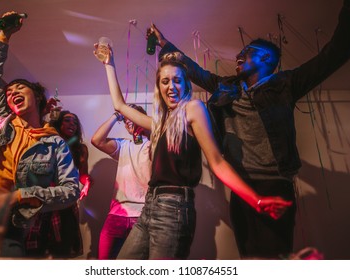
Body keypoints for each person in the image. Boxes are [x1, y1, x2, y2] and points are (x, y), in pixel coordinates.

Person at [149, 0, 350, 259]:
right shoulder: (228, 87)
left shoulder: (286, 84)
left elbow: (334, 55)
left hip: (274, 184)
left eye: (247, 51)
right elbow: (197, 73)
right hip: (241, 187)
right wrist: (165, 44)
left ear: (266, 58)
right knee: (249, 258)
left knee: (273, 258)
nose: (239, 54)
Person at [93, 43, 292, 259]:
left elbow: (217, 163)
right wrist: (109, 64)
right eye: (165, 81)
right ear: (159, 87)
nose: (171, 86)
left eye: (177, 80)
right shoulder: (160, 123)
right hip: (149, 207)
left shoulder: (193, 109)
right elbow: (120, 106)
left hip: (173, 209)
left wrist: (257, 200)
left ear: (185, 85)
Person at [0, 11, 80, 257]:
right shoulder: (2, 119)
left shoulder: (54, 143)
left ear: (37, 96)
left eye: (20, 87)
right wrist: (3, 36)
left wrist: (21, 195)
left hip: (10, 220)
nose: (12, 92)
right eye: (9, 92)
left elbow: (71, 190)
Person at [24, 110, 92, 258]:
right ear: (59, 123)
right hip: (43, 198)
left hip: (64, 201)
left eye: (75, 123)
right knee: (37, 248)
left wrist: (86, 182)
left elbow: (83, 174)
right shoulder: (47, 142)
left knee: (62, 248)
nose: (72, 124)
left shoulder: (80, 149)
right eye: (67, 120)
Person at [91, 105, 151, 259]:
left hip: (143, 214)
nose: (128, 121)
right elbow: (96, 140)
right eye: (125, 119)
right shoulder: (123, 145)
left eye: (132, 117)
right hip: (117, 214)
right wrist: (117, 115)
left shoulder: (153, 144)